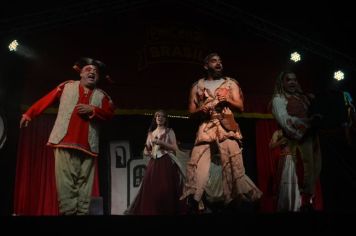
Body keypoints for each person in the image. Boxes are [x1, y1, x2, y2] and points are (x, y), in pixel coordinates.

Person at [19, 57, 115, 215]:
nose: (92, 72)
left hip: (89, 147)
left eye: (95, 71)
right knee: (66, 185)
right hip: (64, 141)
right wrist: (30, 113)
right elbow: (47, 99)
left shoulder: (102, 96)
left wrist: (93, 110)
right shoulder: (67, 86)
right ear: (81, 74)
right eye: (88, 70)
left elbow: (109, 114)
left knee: (84, 188)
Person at [180, 53, 262, 213]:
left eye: (220, 61)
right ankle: (195, 200)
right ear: (206, 66)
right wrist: (200, 109)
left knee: (233, 164)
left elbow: (241, 107)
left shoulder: (230, 83)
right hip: (207, 126)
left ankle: (235, 201)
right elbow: (190, 112)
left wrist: (227, 100)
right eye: (214, 61)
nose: (219, 64)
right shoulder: (197, 85)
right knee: (196, 164)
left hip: (226, 125)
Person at [271, 71, 321, 211]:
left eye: (294, 79)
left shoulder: (302, 98)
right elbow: (285, 121)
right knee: (302, 171)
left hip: (311, 138)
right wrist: (306, 123)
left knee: (315, 169)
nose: (292, 82)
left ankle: (307, 202)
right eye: (288, 80)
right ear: (282, 83)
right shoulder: (278, 99)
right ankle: (300, 205)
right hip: (297, 140)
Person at [125, 110, 187, 215]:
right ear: (155, 118)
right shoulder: (150, 134)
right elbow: (146, 149)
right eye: (157, 116)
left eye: (162, 116)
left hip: (166, 161)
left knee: (166, 188)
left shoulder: (169, 131)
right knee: (151, 188)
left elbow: (175, 148)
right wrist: (146, 151)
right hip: (153, 162)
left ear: (165, 119)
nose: (159, 118)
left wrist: (161, 142)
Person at [269, 129, 301, 212]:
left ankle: (295, 206)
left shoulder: (293, 129)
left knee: (294, 184)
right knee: (285, 184)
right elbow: (270, 146)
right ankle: (284, 207)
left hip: (294, 159)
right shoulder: (278, 132)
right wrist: (281, 141)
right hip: (285, 159)